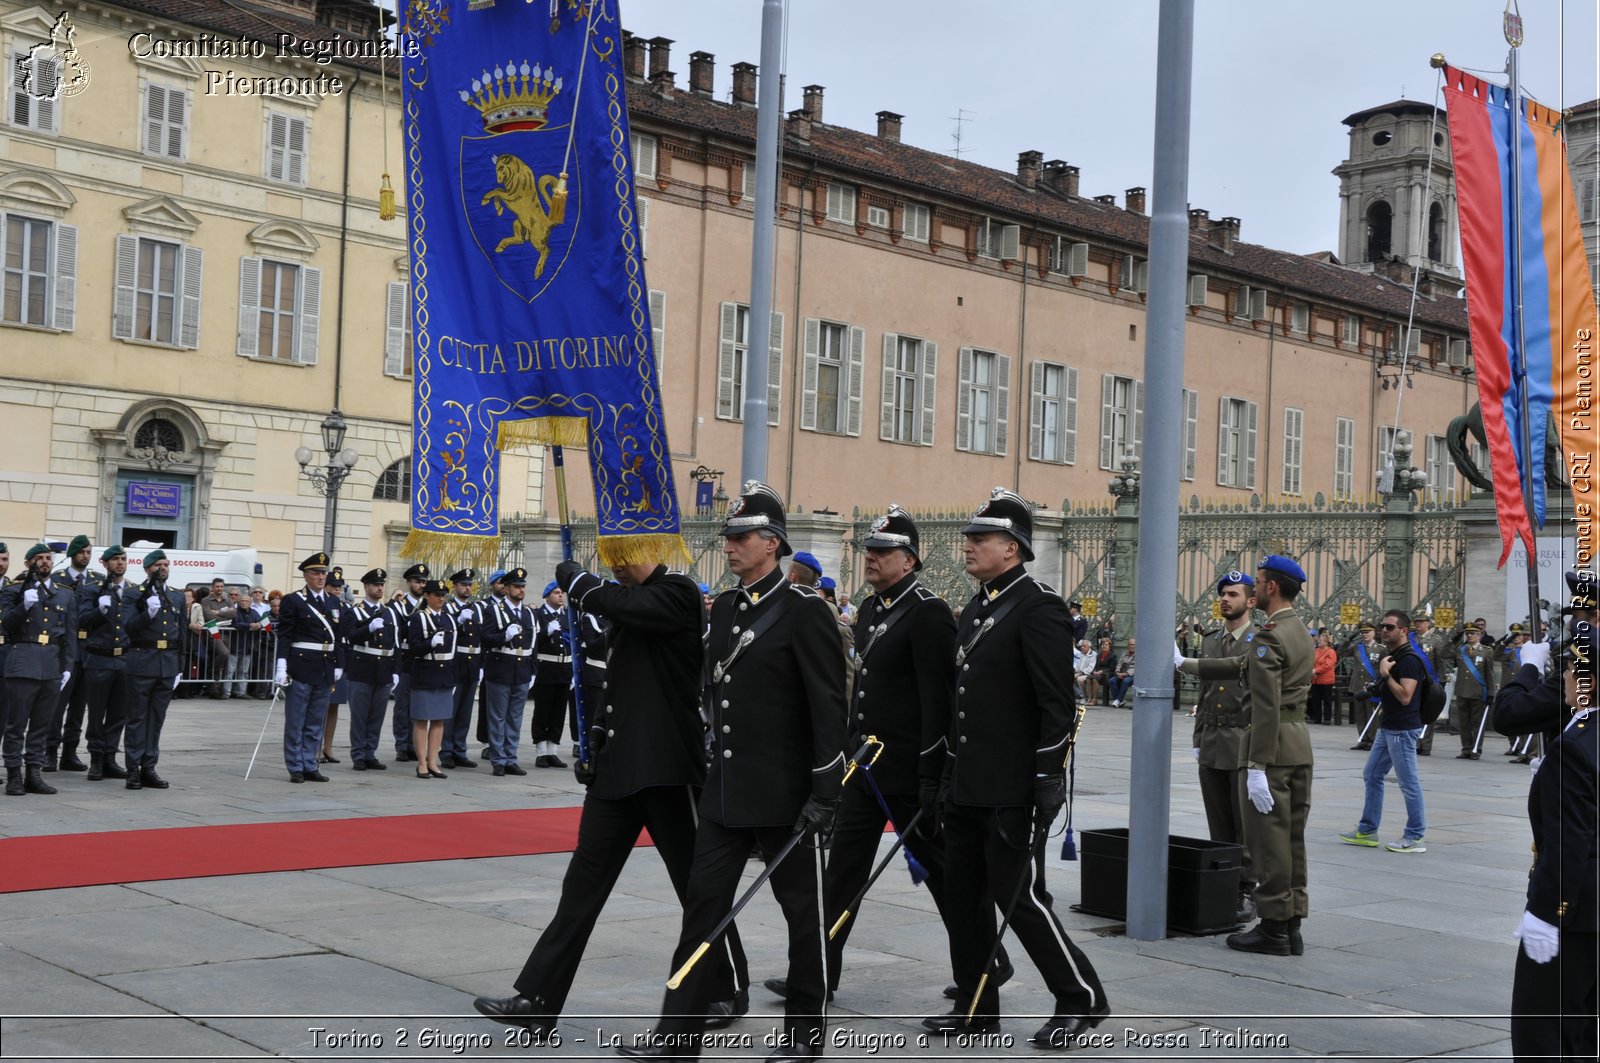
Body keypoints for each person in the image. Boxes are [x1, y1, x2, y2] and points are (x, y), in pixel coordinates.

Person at [474, 555, 751, 1035]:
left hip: (667, 770)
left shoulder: (678, 592)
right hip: (618, 771)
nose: (617, 566)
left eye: (624, 556)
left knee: (697, 890)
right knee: (580, 890)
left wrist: (576, 578)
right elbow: (619, 681)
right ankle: (538, 998)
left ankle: (726, 990)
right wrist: (597, 735)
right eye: (611, 559)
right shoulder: (631, 603)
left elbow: (622, 603)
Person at [618, 481, 844, 1063]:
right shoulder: (725, 610)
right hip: (726, 791)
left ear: (772, 545)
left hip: (788, 794)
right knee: (702, 907)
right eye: (729, 537)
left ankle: (804, 1037)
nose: (732, 546)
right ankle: (678, 1036)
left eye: (741, 537)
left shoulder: (804, 612)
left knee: (803, 915)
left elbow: (827, 707)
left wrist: (826, 791)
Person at [765, 505, 1010, 1007]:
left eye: (882, 552)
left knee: (947, 880)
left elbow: (939, 701)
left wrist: (931, 771)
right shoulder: (874, 608)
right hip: (868, 770)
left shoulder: (927, 612)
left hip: (909, 773)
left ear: (910, 559)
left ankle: (985, 966)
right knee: (841, 875)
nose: (871, 559)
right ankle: (818, 975)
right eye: (869, 550)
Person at [924, 487, 1107, 1050]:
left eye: (980, 539)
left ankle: (1081, 998)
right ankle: (977, 1007)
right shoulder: (981, 604)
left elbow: (1057, 702)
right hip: (968, 780)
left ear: (1013, 547)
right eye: (969, 538)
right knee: (963, 899)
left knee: (1017, 899)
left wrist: (1048, 774)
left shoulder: (1039, 605)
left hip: (1009, 782)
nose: (968, 547)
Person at [1179, 554, 1314, 956]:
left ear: (1270, 587)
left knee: (1269, 841)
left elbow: (1267, 704)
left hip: (1269, 749)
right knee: (1292, 841)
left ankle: (1273, 928)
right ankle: (1291, 924)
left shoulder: (1270, 634)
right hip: (1297, 744)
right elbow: (1242, 666)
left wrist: (1255, 765)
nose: (1254, 588)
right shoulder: (1298, 631)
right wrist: (1189, 663)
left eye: (1257, 582)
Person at [1509, 620, 1597, 1062]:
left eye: (1570, 670)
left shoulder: (1576, 748)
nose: (1562, 676)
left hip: (1577, 915)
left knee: (1543, 1033)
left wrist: (1546, 913)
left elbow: (1571, 842)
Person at [1191, 571, 1259, 925]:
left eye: (1233, 594)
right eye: (1222, 594)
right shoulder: (1211, 641)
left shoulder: (1260, 641)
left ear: (1250, 601)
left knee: (1243, 822)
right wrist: (1199, 738)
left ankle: (1247, 886)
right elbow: (1205, 694)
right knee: (1219, 819)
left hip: (1243, 739)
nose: (1225, 599)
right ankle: (1224, 878)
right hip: (1215, 740)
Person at [1338, 610, 1428, 854]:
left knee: (1409, 782)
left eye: (1390, 627)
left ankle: (1415, 836)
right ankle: (1367, 830)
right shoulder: (1394, 655)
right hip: (1388, 726)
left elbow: (1405, 696)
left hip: (1403, 728)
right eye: (1383, 627)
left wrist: (1386, 674)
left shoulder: (1409, 659)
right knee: (1372, 774)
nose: (1384, 630)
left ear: (1404, 631)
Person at [2, 543, 74, 795]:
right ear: (28, 563)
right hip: (23, 662)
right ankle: (13, 775)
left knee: (42, 725)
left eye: (48, 558)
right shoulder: (14, 590)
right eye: (39, 558)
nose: (45, 562)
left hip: (52, 664)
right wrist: (24, 605)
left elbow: (70, 635)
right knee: (16, 724)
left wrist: (67, 666)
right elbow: (7, 625)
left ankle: (34, 773)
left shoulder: (64, 594)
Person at [273, 552, 343, 783]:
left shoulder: (333, 602)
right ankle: (295, 765)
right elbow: (284, 635)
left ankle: (310, 763)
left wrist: (339, 665)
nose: (321, 577)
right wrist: (281, 666)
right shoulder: (294, 600)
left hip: (324, 667)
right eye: (316, 573)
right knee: (296, 719)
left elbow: (339, 637)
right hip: (301, 665)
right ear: (305, 575)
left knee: (315, 720)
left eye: (324, 573)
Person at [121, 549, 183, 790]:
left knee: (156, 719)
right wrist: (148, 613)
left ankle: (149, 767)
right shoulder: (133, 595)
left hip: (167, 663)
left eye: (166, 564)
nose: (163, 568)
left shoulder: (176, 596)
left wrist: (180, 666)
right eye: (158, 564)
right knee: (137, 718)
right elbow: (129, 627)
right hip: (142, 662)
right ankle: (133, 769)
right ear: (147, 569)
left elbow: (182, 633)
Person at [79, 545, 132, 782]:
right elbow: (81, 620)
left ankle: (110, 757)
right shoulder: (91, 589)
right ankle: (96, 760)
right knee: (97, 713)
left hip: (124, 659)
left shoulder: (134, 591)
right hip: (99, 658)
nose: (120, 563)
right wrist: (99, 610)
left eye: (123, 559)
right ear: (104, 563)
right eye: (115, 560)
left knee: (118, 714)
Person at [478, 567, 535, 776]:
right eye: (517, 587)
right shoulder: (493, 610)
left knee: (515, 717)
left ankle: (511, 758)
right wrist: (504, 636)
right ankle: (498, 759)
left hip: (521, 671)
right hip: (500, 669)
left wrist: (533, 671)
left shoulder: (528, 612)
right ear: (507, 587)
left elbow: (533, 644)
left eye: (523, 587)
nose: (521, 590)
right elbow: (484, 638)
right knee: (498, 717)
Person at [47, 533, 96, 772]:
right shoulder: (58, 579)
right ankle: (49, 752)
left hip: (88, 651)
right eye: (81, 552)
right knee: (57, 705)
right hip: (64, 650)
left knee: (79, 707)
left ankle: (70, 753)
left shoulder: (98, 580)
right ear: (72, 555)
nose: (86, 556)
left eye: (88, 552)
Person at [344, 568, 396, 771]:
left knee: (376, 715)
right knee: (359, 715)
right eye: (375, 585)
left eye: (381, 585)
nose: (379, 588)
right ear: (366, 587)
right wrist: (368, 629)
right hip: (362, 668)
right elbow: (351, 636)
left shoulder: (389, 612)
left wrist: (395, 670)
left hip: (383, 668)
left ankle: (370, 752)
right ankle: (358, 754)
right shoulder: (354, 611)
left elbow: (395, 643)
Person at [405, 578, 457, 779]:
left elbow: (454, 653)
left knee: (439, 721)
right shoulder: (418, 618)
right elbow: (414, 648)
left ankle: (432, 761)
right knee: (421, 720)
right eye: (437, 595)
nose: (441, 599)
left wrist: (453, 678)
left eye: (443, 595)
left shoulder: (449, 619)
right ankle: (421, 763)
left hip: (444, 674)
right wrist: (430, 643)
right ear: (427, 596)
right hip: (425, 673)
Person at [443, 569, 483, 770]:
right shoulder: (448, 609)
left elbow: (480, 638)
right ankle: (446, 751)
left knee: (465, 711)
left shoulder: (476, 609)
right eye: (463, 584)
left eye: (469, 585)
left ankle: (460, 750)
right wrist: (457, 620)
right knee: (450, 710)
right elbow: (445, 634)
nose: (467, 588)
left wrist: (481, 665)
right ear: (454, 587)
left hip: (472, 664)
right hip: (456, 662)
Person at [530, 581, 571, 769]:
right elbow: (533, 642)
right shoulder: (539, 615)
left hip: (564, 669)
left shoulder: (567, 615)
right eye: (556, 592)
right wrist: (546, 631)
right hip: (546, 668)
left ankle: (552, 751)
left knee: (558, 711)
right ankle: (541, 751)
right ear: (547, 596)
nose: (560, 595)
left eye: (562, 592)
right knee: (543, 710)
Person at [391, 564, 429, 762]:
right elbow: (395, 631)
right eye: (417, 581)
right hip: (405, 658)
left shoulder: (428, 605)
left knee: (419, 705)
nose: (420, 585)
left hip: (422, 659)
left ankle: (416, 744)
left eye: (423, 581)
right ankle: (402, 744)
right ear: (409, 583)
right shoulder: (399, 605)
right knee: (403, 705)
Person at [1453, 623, 1496, 759]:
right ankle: (1466, 748)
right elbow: (1443, 654)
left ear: (1480, 635)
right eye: (1468, 634)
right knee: (1464, 723)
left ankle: (1476, 748)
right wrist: (1455, 639)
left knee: (1476, 723)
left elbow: (1489, 674)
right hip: (1462, 691)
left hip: (1478, 692)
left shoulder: (1486, 651)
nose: (1470, 636)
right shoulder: (1461, 650)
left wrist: (1490, 692)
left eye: (1473, 633)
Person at [319, 568, 349, 765]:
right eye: (333, 587)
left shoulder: (345, 607)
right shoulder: (321, 605)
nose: (337, 590)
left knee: (334, 706)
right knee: (319, 706)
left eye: (339, 587)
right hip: (323, 658)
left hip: (340, 659)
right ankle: (316, 746)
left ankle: (328, 746)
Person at [1345, 622, 1382, 746]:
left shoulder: (1381, 649)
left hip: (1372, 686)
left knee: (1371, 713)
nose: (1365, 634)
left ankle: (1371, 739)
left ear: (1374, 633)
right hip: (1358, 685)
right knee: (1360, 714)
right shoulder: (1357, 647)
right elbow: (1340, 651)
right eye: (1362, 632)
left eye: (1367, 632)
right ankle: (1362, 738)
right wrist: (1349, 638)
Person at [1309, 632, 1337, 725]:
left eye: (1321, 640)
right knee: (1315, 699)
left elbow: (1328, 665)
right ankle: (1317, 718)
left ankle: (1327, 719)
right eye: (1319, 640)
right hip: (1315, 679)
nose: (1319, 642)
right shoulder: (1315, 650)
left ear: (1326, 642)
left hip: (1326, 680)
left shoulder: (1331, 652)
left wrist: (1315, 670)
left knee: (1326, 699)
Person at [1108, 638, 1136, 707]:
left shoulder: (1138, 655)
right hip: (1121, 674)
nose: (1132, 646)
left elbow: (1135, 668)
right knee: (1112, 680)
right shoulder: (1124, 654)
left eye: (1133, 645)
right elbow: (1119, 664)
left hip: (1131, 675)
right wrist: (1117, 672)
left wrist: (1125, 674)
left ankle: (1118, 700)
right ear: (1128, 645)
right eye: (1130, 644)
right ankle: (1119, 700)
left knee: (1125, 681)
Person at [1091, 637, 1116, 706]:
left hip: (1107, 673)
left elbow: (1112, 668)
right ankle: (1090, 698)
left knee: (1095, 679)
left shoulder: (1112, 656)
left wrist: (1102, 671)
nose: (1104, 646)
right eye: (1102, 644)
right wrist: (1095, 671)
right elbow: (1096, 666)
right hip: (1098, 673)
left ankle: (1094, 699)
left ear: (1109, 646)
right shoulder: (1099, 656)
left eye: (1106, 644)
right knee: (1088, 678)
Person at [1074, 640, 1096, 704]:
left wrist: (1080, 673)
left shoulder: (1093, 654)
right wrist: (1075, 671)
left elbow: (1090, 668)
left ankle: (1083, 697)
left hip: (1088, 673)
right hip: (1080, 672)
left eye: (1084, 646)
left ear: (1089, 647)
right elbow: (1078, 666)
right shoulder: (1081, 654)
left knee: (1079, 679)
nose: (1082, 647)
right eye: (1081, 646)